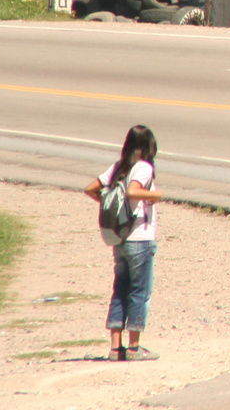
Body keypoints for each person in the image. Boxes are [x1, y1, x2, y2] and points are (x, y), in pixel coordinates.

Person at [84, 125, 163, 362]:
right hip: (140, 237)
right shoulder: (144, 168)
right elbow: (133, 191)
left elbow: (91, 189)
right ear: (149, 146)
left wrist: (112, 206)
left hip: (120, 239)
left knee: (120, 291)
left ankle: (115, 348)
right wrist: (156, 196)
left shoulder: (119, 166)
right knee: (139, 293)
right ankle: (134, 347)